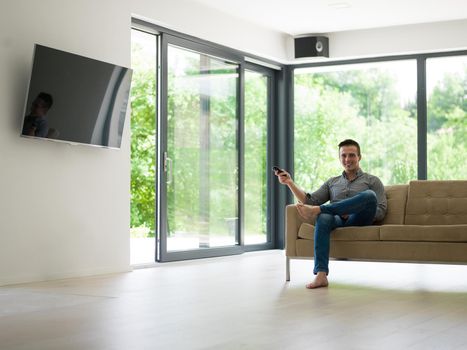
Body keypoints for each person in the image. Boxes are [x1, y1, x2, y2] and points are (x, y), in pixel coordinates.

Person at [275, 139, 387, 289]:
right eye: (344, 156)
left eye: (352, 155)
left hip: (360, 218)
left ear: (359, 157)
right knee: (324, 216)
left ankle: (322, 210)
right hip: (337, 220)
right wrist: (289, 182)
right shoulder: (332, 182)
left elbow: (380, 211)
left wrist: (350, 209)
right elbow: (311, 200)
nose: (347, 159)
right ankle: (321, 275)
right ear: (340, 157)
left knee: (369, 196)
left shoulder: (372, 181)